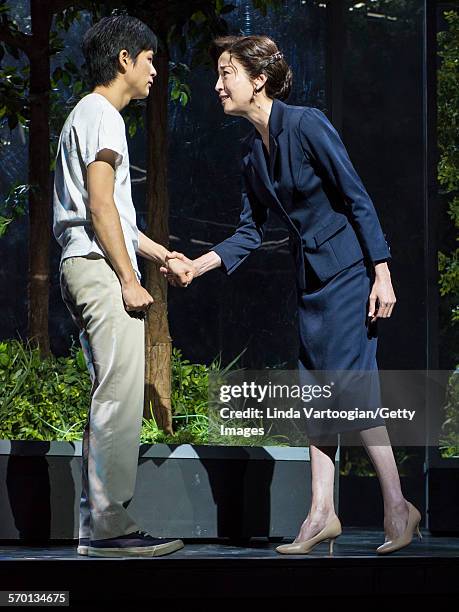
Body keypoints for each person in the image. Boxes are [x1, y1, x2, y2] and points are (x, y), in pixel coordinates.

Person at [161, 35, 422, 555]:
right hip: (311, 282)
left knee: (349, 389)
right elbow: (249, 232)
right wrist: (199, 264)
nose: (217, 84)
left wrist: (383, 271)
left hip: (350, 273)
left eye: (226, 73)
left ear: (257, 79)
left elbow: (355, 196)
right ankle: (322, 512)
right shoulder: (251, 154)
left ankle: (398, 505)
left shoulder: (306, 124)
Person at [53, 15, 193, 558]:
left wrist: (160, 254)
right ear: (124, 60)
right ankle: (109, 528)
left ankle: (103, 524)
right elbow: (100, 204)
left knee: (111, 391)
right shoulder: (104, 115)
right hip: (99, 268)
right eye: (150, 58)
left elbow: (114, 214)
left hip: (86, 262)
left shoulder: (87, 116)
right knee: (117, 395)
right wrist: (132, 281)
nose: (156, 69)